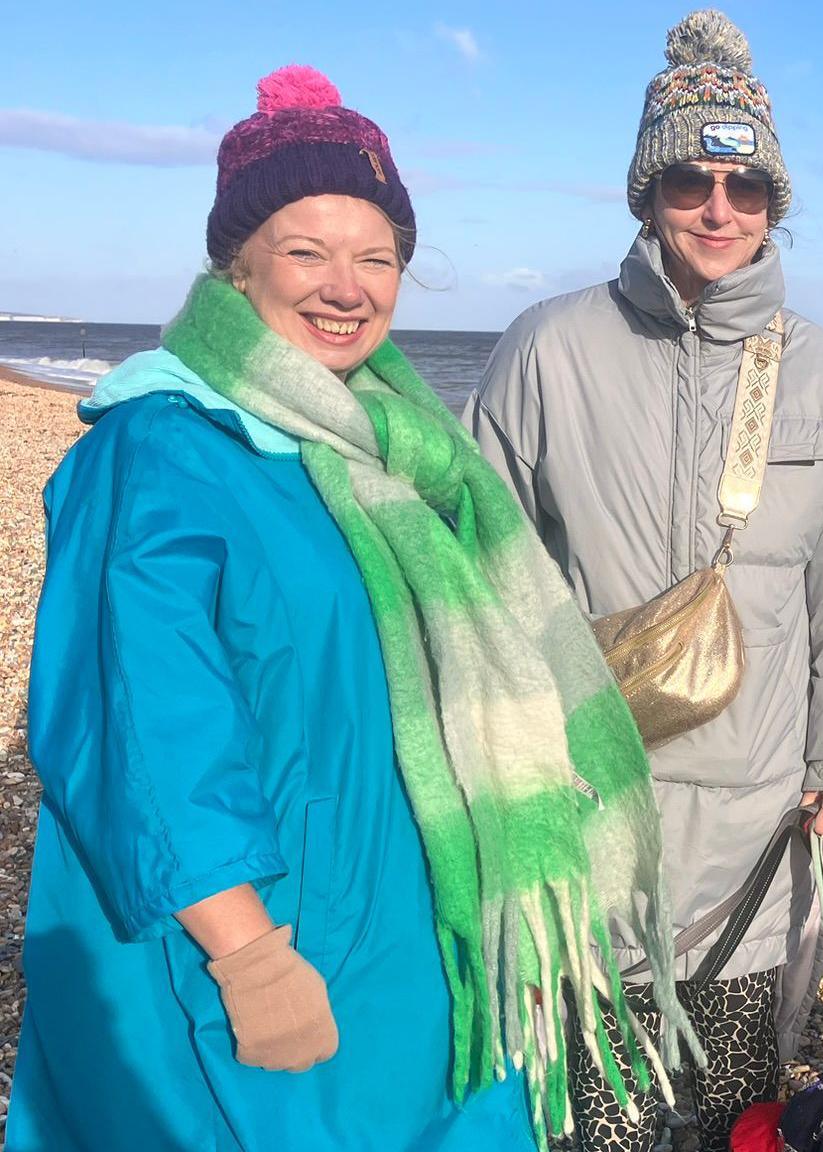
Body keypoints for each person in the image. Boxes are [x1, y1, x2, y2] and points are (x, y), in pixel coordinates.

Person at [12, 66, 685, 1151]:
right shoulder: (163, 449)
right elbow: (143, 727)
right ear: (239, 267)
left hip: (413, 931)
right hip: (244, 944)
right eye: (307, 250)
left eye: (377, 257)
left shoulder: (395, 450)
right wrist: (247, 955)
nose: (347, 286)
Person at [464, 10, 823, 1150]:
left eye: (745, 187)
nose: (718, 210)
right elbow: (479, 567)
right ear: (645, 194)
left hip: (759, 829)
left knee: (727, 1116)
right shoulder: (547, 347)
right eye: (689, 181)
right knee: (587, 1124)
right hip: (584, 816)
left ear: (774, 206)